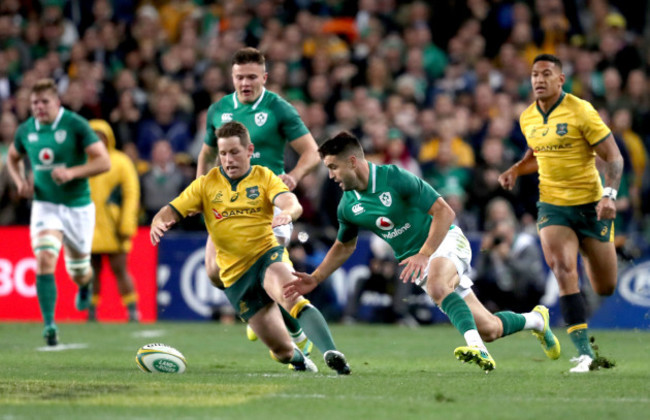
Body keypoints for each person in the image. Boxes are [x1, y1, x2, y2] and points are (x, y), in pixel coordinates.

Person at [284, 132, 561, 373]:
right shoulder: (347, 205)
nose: (330, 176)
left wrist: (425, 253)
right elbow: (344, 246)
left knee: (440, 285)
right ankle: (536, 320)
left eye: (333, 167)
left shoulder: (394, 177)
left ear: (352, 162)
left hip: (444, 239)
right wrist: (316, 277)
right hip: (423, 261)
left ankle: (477, 349)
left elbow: (445, 211)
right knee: (490, 328)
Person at [150, 121, 350, 374]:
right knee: (281, 351)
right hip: (235, 277)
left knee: (292, 297)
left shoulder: (263, 176)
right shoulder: (206, 184)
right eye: (223, 153)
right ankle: (299, 359)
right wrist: (159, 221)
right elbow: (170, 210)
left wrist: (288, 213)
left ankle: (332, 352)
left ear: (248, 150)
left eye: (234, 152)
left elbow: (291, 201)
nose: (228, 159)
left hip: (266, 256)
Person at [498, 54, 624, 373]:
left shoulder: (581, 111)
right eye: (534, 75)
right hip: (553, 206)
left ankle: (587, 250)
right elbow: (536, 153)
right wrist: (515, 169)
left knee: (605, 286)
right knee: (563, 267)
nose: (538, 80)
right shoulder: (527, 117)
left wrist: (609, 195)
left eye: (546, 74)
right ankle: (585, 354)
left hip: (591, 205)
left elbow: (614, 157)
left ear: (560, 79)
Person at [197, 47, 320, 351]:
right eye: (240, 77)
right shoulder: (219, 110)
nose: (245, 83)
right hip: (227, 200)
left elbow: (312, 151)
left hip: (267, 199)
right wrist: (201, 190)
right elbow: (207, 152)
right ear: (232, 77)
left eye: (252, 76)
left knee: (267, 266)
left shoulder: (279, 109)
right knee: (214, 271)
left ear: (264, 77)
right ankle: (256, 310)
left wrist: (294, 175)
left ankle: (295, 335)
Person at [6, 78, 111, 346]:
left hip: (77, 206)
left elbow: (103, 161)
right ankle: (50, 325)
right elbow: (12, 157)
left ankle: (85, 284)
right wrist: (20, 183)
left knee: (78, 271)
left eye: (44, 102)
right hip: (45, 205)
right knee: (44, 258)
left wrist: (72, 172)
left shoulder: (75, 124)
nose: (39, 107)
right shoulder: (26, 130)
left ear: (57, 102)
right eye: (34, 103)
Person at [87, 119, 141, 322]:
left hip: (113, 226)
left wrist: (126, 222)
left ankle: (132, 309)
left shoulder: (120, 162)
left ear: (108, 138)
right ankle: (91, 311)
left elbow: (131, 194)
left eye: (101, 137)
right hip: (89, 226)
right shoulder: (82, 161)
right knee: (92, 272)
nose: (97, 141)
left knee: (120, 269)